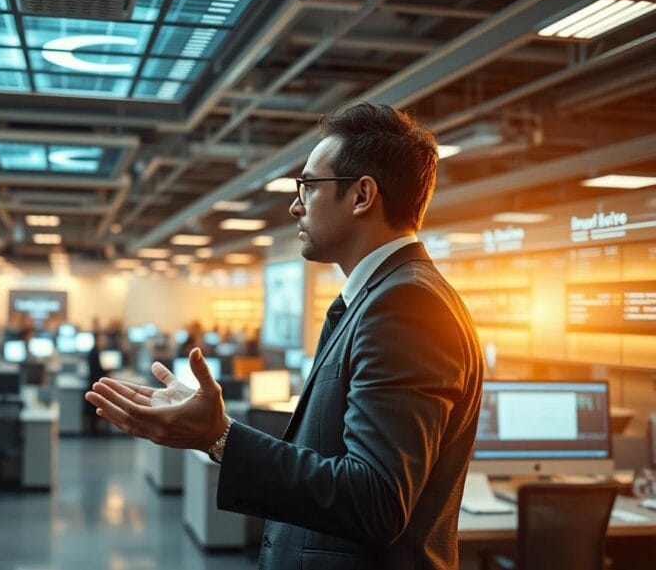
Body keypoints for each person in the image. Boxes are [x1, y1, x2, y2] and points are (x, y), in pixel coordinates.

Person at [86, 102, 483, 570]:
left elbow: (375, 500)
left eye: (309, 187)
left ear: (362, 195)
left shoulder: (406, 304)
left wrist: (220, 437)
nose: (295, 205)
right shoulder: (383, 297)